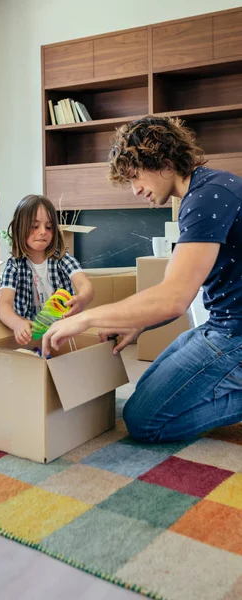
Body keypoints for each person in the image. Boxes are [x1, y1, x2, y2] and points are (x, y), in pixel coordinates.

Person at [42, 116, 242, 443]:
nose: (135, 190)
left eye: (135, 176)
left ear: (163, 163)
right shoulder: (205, 190)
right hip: (224, 322)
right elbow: (180, 288)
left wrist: (85, 319)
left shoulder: (207, 199)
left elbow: (173, 299)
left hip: (234, 333)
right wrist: (138, 324)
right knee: (147, 388)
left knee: (144, 421)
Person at [0, 194, 93, 345]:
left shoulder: (62, 259)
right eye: (35, 226)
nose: (43, 231)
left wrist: (82, 299)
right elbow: (3, 305)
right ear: (19, 228)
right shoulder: (14, 265)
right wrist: (16, 323)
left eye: (48, 227)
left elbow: (84, 285)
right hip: (29, 337)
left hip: (61, 333)